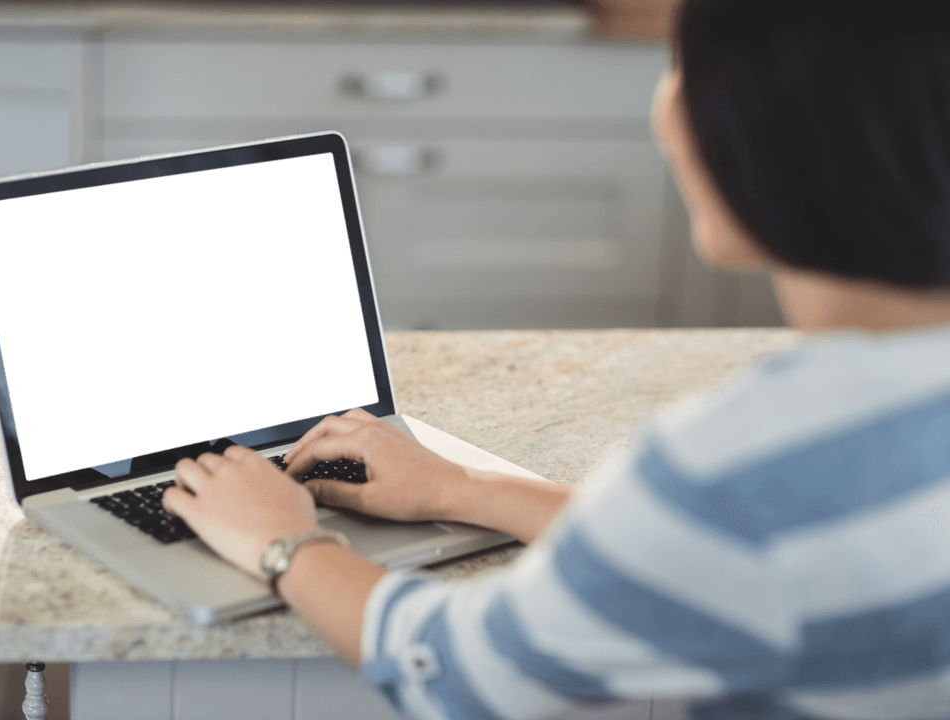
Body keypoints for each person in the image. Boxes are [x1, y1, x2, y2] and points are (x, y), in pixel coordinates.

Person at [161, 1, 950, 718]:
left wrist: (284, 542)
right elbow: (703, 553)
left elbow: (455, 669)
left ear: (768, 134)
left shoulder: (739, 468)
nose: (666, 107)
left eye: (681, 65)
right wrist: (464, 488)